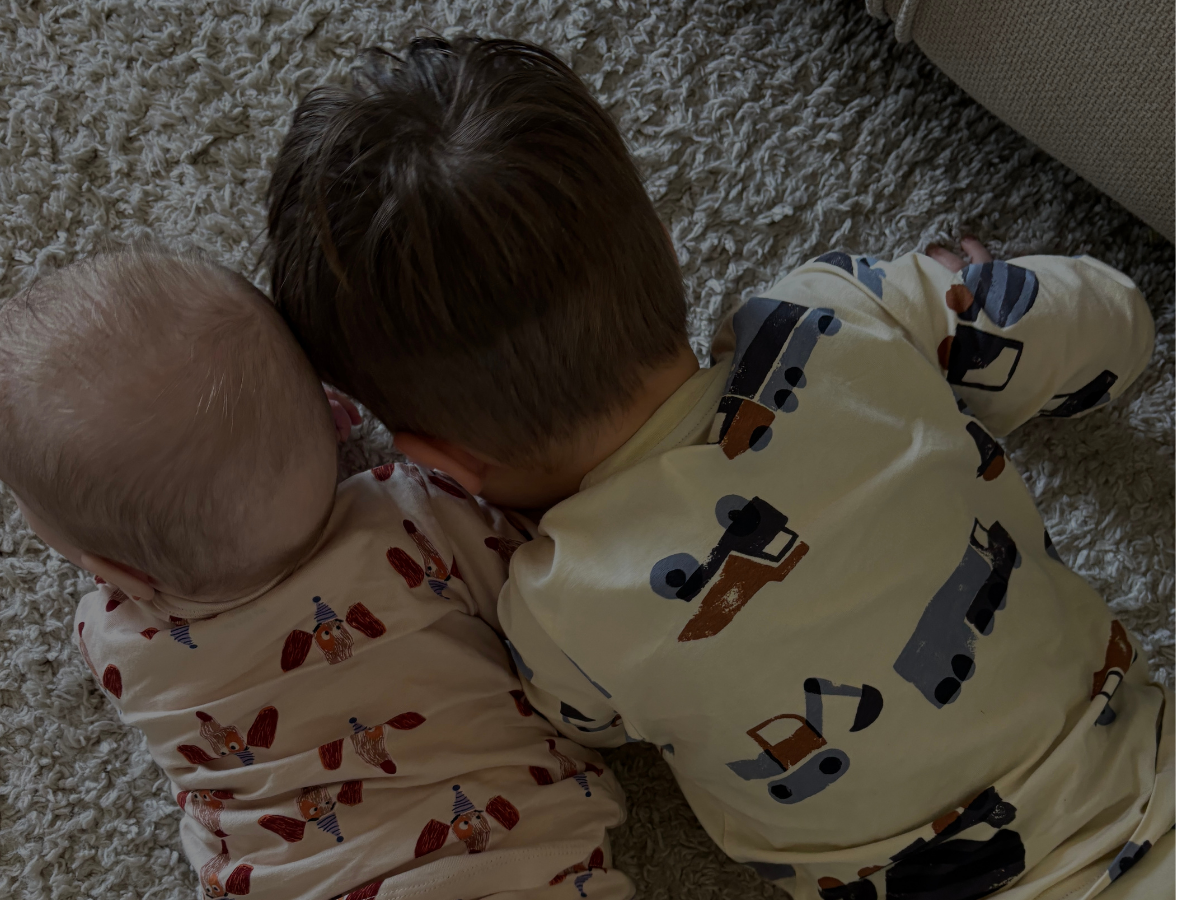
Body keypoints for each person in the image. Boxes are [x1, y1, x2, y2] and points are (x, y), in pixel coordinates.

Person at [265, 35, 1173, 900]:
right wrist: (985, 301)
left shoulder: (560, 608)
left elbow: (588, 725)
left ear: (438, 464)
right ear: (665, 244)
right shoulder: (842, 315)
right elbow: (1118, 329)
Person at [0, 246, 631, 900]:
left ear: (117, 573)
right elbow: (534, 587)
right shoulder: (417, 518)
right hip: (522, 866)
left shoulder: (117, 638)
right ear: (330, 407)